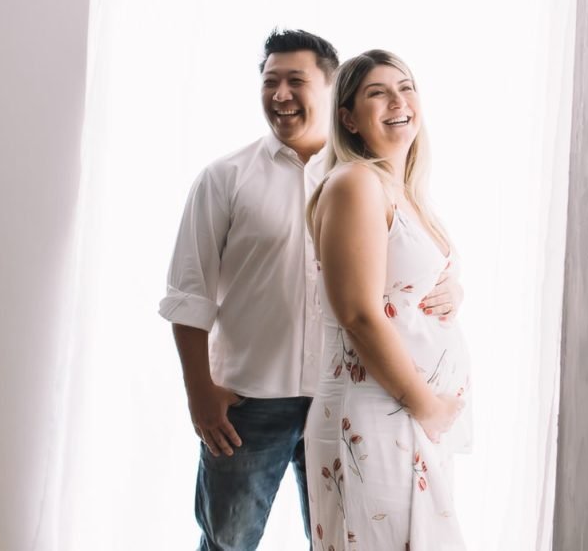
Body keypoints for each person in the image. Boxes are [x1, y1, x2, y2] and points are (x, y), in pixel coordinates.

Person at [159, 31, 463, 551]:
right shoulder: (225, 178)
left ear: (330, 88)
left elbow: (404, 266)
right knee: (227, 540)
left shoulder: (370, 175)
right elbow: (189, 296)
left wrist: (451, 288)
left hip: (349, 395)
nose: (280, 95)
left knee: (335, 539)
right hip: (252, 400)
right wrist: (200, 394)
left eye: (295, 81)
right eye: (270, 82)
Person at [305, 49, 472, 550]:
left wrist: (454, 290)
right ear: (348, 119)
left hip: (405, 417)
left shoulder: (406, 192)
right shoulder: (356, 184)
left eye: (406, 88)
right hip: (377, 414)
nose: (398, 101)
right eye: (378, 93)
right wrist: (427, 406)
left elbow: (407, 281)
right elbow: (358, 313)